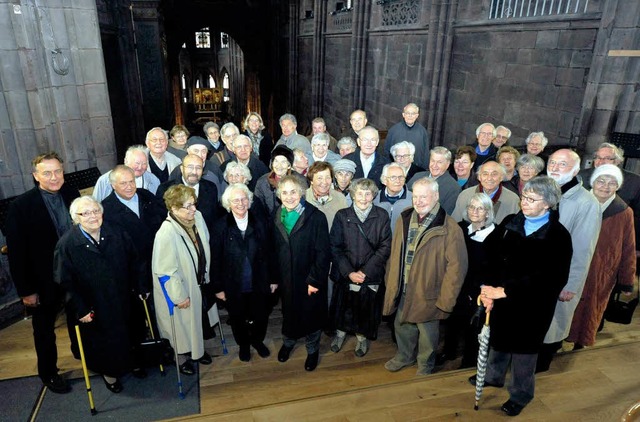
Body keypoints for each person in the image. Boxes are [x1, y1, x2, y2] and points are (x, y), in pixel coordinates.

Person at [472, 176, 572, 417]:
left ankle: (520, 395)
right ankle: (494, 377)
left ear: (547, 204)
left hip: (532, 308)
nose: (523, 202)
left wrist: (505, 291)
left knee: (524, 355)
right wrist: (486, 288)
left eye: (531, 199)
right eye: (523, 197)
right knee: (498, 343)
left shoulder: (558, 236)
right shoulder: (509, 223)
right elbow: (490, 257)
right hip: (500, 301)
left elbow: (551, 279)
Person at [54, 196, 146, 393]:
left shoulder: (117, 232)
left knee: (131, 332)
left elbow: (135, 261)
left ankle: (133, 363)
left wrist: (140, 286)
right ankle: (110, 374)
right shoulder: (67, 244)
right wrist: (81, 308)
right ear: (75, 218)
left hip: (124, 297)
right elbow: (64, 282)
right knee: (104, 342)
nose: (92, 216)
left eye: (96, 211)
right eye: (85, 213)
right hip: (95, 304)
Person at [6, 152, 80, 394]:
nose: (54, 177)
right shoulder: (21, 206)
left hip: (73, 272)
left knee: (78, 315)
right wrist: (26, 291)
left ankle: (82, 353)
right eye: (47, 173)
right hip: (43, 279)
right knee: (44, 328)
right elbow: (17, 253)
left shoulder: (71, 193)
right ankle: (49, 373)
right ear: (36, 176)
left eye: (58, 171)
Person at [383, 177, 467, 375]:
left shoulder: (450, 228)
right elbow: (395, 253)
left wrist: (446, 300)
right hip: (403, 286)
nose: (419, 201)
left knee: (427, 334)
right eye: (416, 196)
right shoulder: (404, 218)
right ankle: (404, 356)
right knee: (402, 325)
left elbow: (456, 269)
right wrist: (390, 280)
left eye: (424, 197)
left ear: (436, 196)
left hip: (429, 292)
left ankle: (425, 364)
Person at [538, 149, 601, 372]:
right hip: (535, 275)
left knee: (551, 327)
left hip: (559, 276)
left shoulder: (587, 202)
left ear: (575, 169)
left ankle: (540, 369)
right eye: (552, 163)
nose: (554, 168)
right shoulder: (542, 191)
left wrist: (571, 285)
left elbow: (584, 248)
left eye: (562, 164)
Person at [568, 164, 636, 349]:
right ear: (593, 182)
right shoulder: (578, 202)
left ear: (618, 186)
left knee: (590, 308)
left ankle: (580, 341)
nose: (605, 186)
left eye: (612, 183)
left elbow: (628, 248)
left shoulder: (624, 212)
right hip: (572, 264)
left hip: (601, 270)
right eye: (601, 181)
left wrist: (626, 281)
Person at [211, 184, 277, 362]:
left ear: (249, 201)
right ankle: (244, 344)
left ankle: (257, 341)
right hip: (233, 283)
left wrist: (273, 279)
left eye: (244, 199)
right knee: (237, 316)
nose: (240, 203)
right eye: (235, 200)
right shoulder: (220, 227)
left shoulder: (261, 222)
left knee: (261, 314)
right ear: (228, 204)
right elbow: (215, 259)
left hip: (259, 280)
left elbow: (271, 252)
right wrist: (218, 287)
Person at [152, 184, 212, 375]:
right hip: (180, 288)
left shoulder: (197, 217)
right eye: (188, 206)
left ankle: (198, 351)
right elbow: (165, 271)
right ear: (174, 208)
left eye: (194, 204)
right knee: (181, 326)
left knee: (197, 321)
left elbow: (204, 244)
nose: (194, 209)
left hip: (198, 281)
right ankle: (182, 359)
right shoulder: (166, 233)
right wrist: (179, 297)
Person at [273, 175, 331, 372]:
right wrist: (274, 278)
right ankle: (288, 342)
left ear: (302, 193)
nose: (289, 197)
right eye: (285, 192)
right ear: (279, 195)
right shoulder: (276, 214)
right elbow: (272, 249)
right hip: (286, 278)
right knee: (289, 312)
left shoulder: (316, 217)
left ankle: (312, 349)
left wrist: (315, 279)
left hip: (309, 279)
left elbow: (324, 253)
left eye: (293, 192)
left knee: (311, 315)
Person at [329, 178, 392, 357]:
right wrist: (349, 272)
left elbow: (385, 246)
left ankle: (362, 337)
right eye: (359, 193)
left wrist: (364, 272)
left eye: (368, 193)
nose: (364, 198)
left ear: (373, 195)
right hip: (346, 273)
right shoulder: (342, 215)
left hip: (369, 274)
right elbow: (335, 246)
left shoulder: (381, 215)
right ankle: (340, 334)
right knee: (344, 306)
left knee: (365, 308)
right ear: (353, 195)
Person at [439, 193, 501, 368]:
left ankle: (469, 362)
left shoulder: (497, 235)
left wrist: (479, 289)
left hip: (479, 290)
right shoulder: (460, 228)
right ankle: (448, 351)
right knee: (452, 321)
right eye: (471, 207)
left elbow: (495, 269)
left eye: (480, 208)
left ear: (488, 212)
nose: (474, 211)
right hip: (458, 284)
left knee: (474, 328)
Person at [579, 142, 640, 263]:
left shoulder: (635, 182)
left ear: (618, 161)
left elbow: (638, 217)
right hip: (581, 238)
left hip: (612, 242)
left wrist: (636, 246)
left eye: (607, 158)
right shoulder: (581, 176)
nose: (601, 162)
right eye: (598, 157)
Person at [156, 154, 221, 233]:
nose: (194, 172)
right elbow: (161, 220)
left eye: (198, 168)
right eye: (190, 167)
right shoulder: (165, 189)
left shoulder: (211, 188)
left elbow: (214, 219)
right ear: (181, 168)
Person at [451, 161, 520, 224]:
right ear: (479, 177)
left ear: (501, 177)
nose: (489, 178)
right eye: (485, 174)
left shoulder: (513, 200)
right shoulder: (465, 195)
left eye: (494, 174)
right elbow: (455, 224)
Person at [92, 145, 161, 201]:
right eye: (137, 163)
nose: (140, 167)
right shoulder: (105, 180)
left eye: (144, 163)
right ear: (126, 161)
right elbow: (95, 205)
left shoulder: (153, 180)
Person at [255, 145, 308, 217]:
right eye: (276, 161)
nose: (279, 166)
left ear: (289, 165)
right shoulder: (262, 182)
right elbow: (259, 209)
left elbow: (304, 206)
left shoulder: (300, 181)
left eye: (283, 162)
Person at [408, 147, 461, 215]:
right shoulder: (417, 176)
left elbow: (445, 214)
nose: (434, 165)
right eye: (432, 161)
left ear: (447, 164)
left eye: (439, 162)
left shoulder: (453, 188)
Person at [383, 103, 430, 169]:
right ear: (403, 115)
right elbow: (387, 151)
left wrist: (424, 170)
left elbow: (425, 153)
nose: (410, 116)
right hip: (397, 169)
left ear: (417, 115)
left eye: (413, 113)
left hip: (416, 169)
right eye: (407, 113)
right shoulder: (393, 130)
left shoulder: (422, 131)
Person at [305, 161, 348, 230]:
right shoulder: (303, 198)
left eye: (327, 177)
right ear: (311, 181)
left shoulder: (340, 198)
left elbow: (345, 225)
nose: (324, 182)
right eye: (319, 178)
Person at [373, 163, 412, 235]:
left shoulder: (413, 199)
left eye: (401, 177)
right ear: (384, 180)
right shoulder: (374, 199)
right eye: (393, 177)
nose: (397, 181)